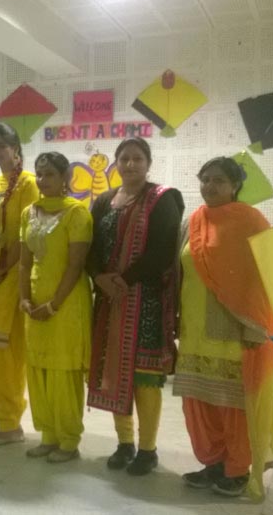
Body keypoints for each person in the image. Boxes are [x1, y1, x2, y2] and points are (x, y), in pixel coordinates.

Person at [174, 156, 273, 499]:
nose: (210, 186)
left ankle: (236, 469)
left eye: (218, 180)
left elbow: (265, 275)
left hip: (235, 326)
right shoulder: (193, 221)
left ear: (235, 185)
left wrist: (256, 326)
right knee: (199, 398)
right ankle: (212, 462)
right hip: (194, 327)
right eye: (205, 179)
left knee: (232, 402)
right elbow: (177, 273)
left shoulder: (251, 221)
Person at [87, 137, 184, 476]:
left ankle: (147, 449)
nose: (130, 164)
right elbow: (90, 246)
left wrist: (123, 280)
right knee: (113, 372)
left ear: (148, 163)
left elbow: (162, 250)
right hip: (110, 301)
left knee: (144, 377)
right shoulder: (104, 201)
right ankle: (124, 443)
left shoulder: (163, 199)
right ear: (116, 163)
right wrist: (99, 277)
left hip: (147, 301)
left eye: (137, 158)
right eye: (124, 158)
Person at [19, 152, 93, 463]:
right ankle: (48, 435)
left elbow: (76, 266)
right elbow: (25, 263)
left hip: (66, 305)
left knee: (63, 373)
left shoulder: (77, 213)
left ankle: (69, 440)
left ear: (66, 178)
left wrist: (53, 305)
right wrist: (25, 298)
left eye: (50, 174)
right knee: (39, 370)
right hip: (34, 304)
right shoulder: (29, 212)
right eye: (39, 174)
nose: (42, 180)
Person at [0, 123, 40, 446]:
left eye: (1, 145)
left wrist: (0, 271)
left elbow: (25, 235)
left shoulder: (29, 184)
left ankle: (11, 421)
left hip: (13, 274)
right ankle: (5, 418)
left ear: (16, 148)